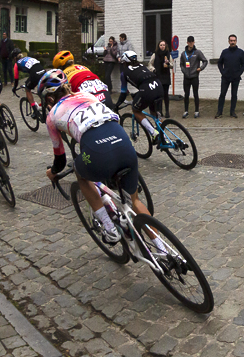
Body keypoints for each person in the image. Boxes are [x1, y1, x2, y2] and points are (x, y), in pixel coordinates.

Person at [39, 70, 161, 252]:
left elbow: (60, 159)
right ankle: (163, 248)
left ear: (49, 99)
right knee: (134, 201)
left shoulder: (52, 116)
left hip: (98, 151)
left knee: (80, 172)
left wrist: (53, 173)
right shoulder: (87, 95)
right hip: (123, 142)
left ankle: (110, 228)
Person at [120, 51, 165, 140]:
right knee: (155, 113)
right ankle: (163, 137)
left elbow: (123, 93)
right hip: (158, 87)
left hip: (147, 90)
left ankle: (153, 132)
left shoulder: (124, 72)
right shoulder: (141, 66)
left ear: (125, 62)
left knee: (136, 110)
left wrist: (117, 105)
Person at [216, 35, 244, 118]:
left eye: (234, 40)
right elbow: (220, 63)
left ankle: (232, 111)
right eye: (231, 40)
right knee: (222, 94)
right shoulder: (224, 52)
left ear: (236, 41)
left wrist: (239, 73)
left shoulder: (240, 52)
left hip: (236, 77)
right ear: (228, 41)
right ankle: (219, 112)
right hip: (225, 77)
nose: (232, 42)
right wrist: (222, 72)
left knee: (234, 95)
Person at [179, 36, 207, 119]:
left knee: (195, 94)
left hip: (194, 76)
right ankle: (186, 111)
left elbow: (205, 61)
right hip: (186, 77)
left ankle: (196, 111)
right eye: (189, 42)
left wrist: (200, 68)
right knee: (186, 94)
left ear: (194, 42)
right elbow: (181, 64)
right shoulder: (183, 54)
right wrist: (184, 71)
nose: (191, 43)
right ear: (187, 43)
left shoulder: (197, 52)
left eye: (192, 42)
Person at [150, 41, 173, 118]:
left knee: (166, 94)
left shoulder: (168, 54)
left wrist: (169, 63)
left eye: (163, 45)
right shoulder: (155, 54)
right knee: (159, 95)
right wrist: (153, 69)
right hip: (158, 76)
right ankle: (159, 111)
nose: (162, 46)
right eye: (161, 45)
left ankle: (167, 111)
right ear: (158, 46)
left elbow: (172, 65)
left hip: (166, 76)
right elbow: (150, 64)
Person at [117, 33, 132, 99]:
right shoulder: (119, 44)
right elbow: (117, 52)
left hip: (126, 63)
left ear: (123, 38)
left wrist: (125, 58)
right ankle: (125, 90)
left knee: (126, 76)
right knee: (122, 76)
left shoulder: (128, 44)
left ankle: (125, 90)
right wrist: (118, 57)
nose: (119, 39)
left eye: (120, 38)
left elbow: (130, 52)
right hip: (121, 62)